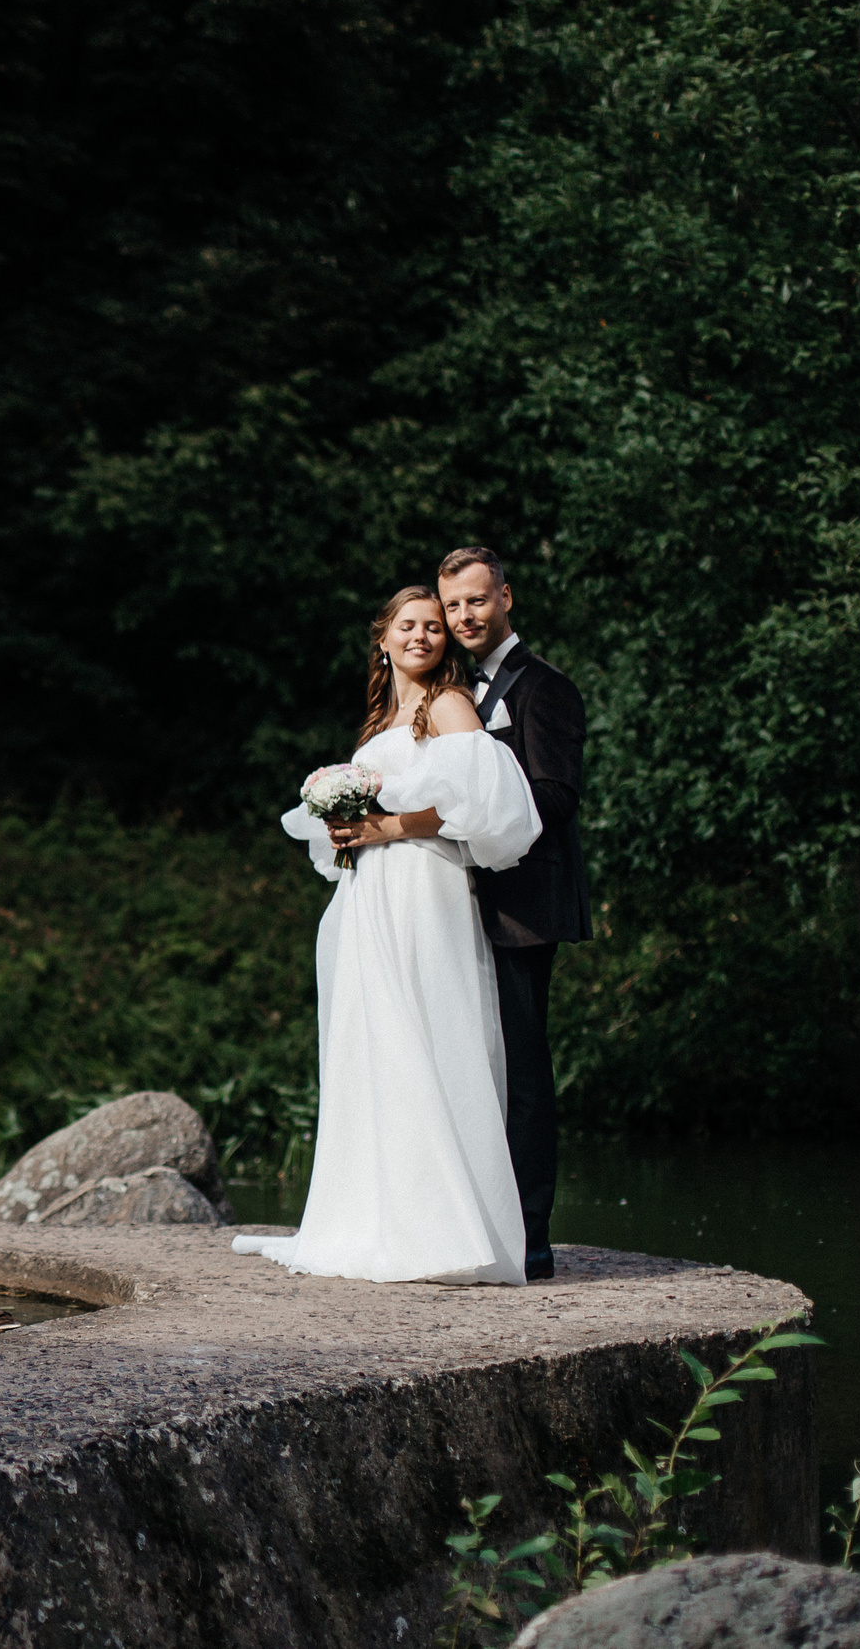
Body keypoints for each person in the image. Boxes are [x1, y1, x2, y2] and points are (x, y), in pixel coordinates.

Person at [236, 585, 543, 1285]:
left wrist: (383, 827)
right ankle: (381, 1218)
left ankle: (447, 1231)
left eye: (434, 626)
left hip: (424, 887)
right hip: (370, 891)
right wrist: (346, 827)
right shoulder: (382, 719)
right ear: (384, 638)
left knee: (426, 1033)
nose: (422, 636)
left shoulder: (449, 704)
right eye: (409, 625)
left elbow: (477, 801)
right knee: (376, 1044)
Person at [436, 546, 591, 1283]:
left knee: (523, 1070)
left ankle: (531, 1236)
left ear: (505, 597)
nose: (465, 616)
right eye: (453, 605)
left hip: (524, 908)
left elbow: (556, 795)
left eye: (477, 600)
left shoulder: (545, 687)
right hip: (460, 904)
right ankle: (475, 1223)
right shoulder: (452, 689)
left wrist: (468, 819)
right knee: (474, 1067)